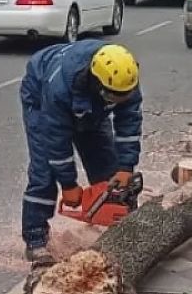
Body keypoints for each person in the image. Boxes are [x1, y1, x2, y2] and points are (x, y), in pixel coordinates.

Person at [19, 41, 142, 265]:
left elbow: (129, 124)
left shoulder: (125, 80)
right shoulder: (58, 89)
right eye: (115, 98)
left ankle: (114, 228)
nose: (121, 101)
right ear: (98, 82)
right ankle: (35, 239)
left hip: (91, 104)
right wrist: (68, 184)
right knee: (45, 171)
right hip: (41, 97)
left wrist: (126, 167)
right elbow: (56, 139)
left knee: (107, 168)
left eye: (123, 97)